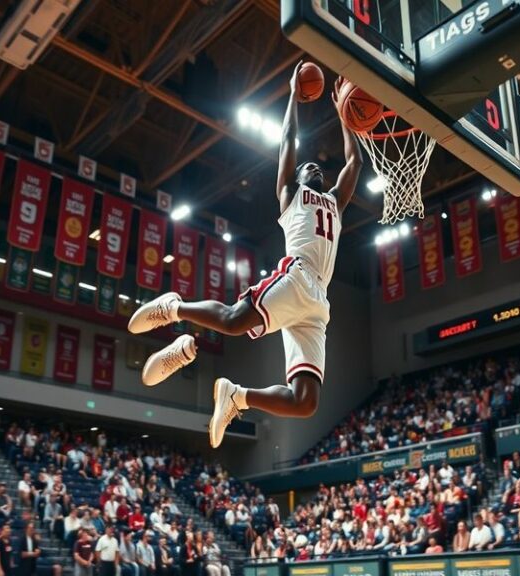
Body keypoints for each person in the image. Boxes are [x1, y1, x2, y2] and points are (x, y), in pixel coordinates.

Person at [127, 65, 364, 449]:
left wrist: (344, 114)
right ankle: (174, 308)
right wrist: (292, 95)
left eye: (318, 165)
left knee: (305, 402)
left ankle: (237, 396)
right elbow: (288, 141)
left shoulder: (335, 202)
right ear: (296, 179)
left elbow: (353, 164)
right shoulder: (290, 195)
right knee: (236, 321)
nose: (313, 166)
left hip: (318, 302)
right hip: (298, 276)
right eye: (307, 167)